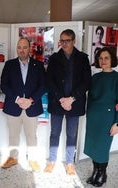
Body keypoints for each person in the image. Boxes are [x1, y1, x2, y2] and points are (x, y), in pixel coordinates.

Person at [45, 29, 91, 175]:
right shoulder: (54, 58)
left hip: (75, 103)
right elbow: (49, 81)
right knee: (55, 133)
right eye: (62, 41)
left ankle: (70, 163)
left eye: (67, 41)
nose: (63, 44)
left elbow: (86, 82)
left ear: (73, 41)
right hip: (57, 102)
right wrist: (61, 98)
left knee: (71, 134)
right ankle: (52, 160)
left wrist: (71, 98)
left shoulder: (83, 58)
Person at [0, 37, 46, 172]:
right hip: (14, 106)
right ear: (16, 49)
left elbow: (43, 86)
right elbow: (4, 85)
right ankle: (13, 158)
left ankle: (32, 159)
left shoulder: (38, 65)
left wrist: (31, 100)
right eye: (19, 47)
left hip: (31, 106)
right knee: (13, 135)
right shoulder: (9, 65)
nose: (22, 50)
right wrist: (17, 99)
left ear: (29, 48)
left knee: (31, 135)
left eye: (25, 47)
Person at [84, 47, 118, 187]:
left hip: (108, 118)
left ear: (112, 60)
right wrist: (88, 113)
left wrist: (117, 123)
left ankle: (102, 174)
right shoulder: (95, 77)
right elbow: (90, 98)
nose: (103, 61)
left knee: (102, 148)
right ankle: (95, 171)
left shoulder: (117, 78)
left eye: (106, 58)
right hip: (93, 117)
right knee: (92, 146)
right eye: (100, 58)